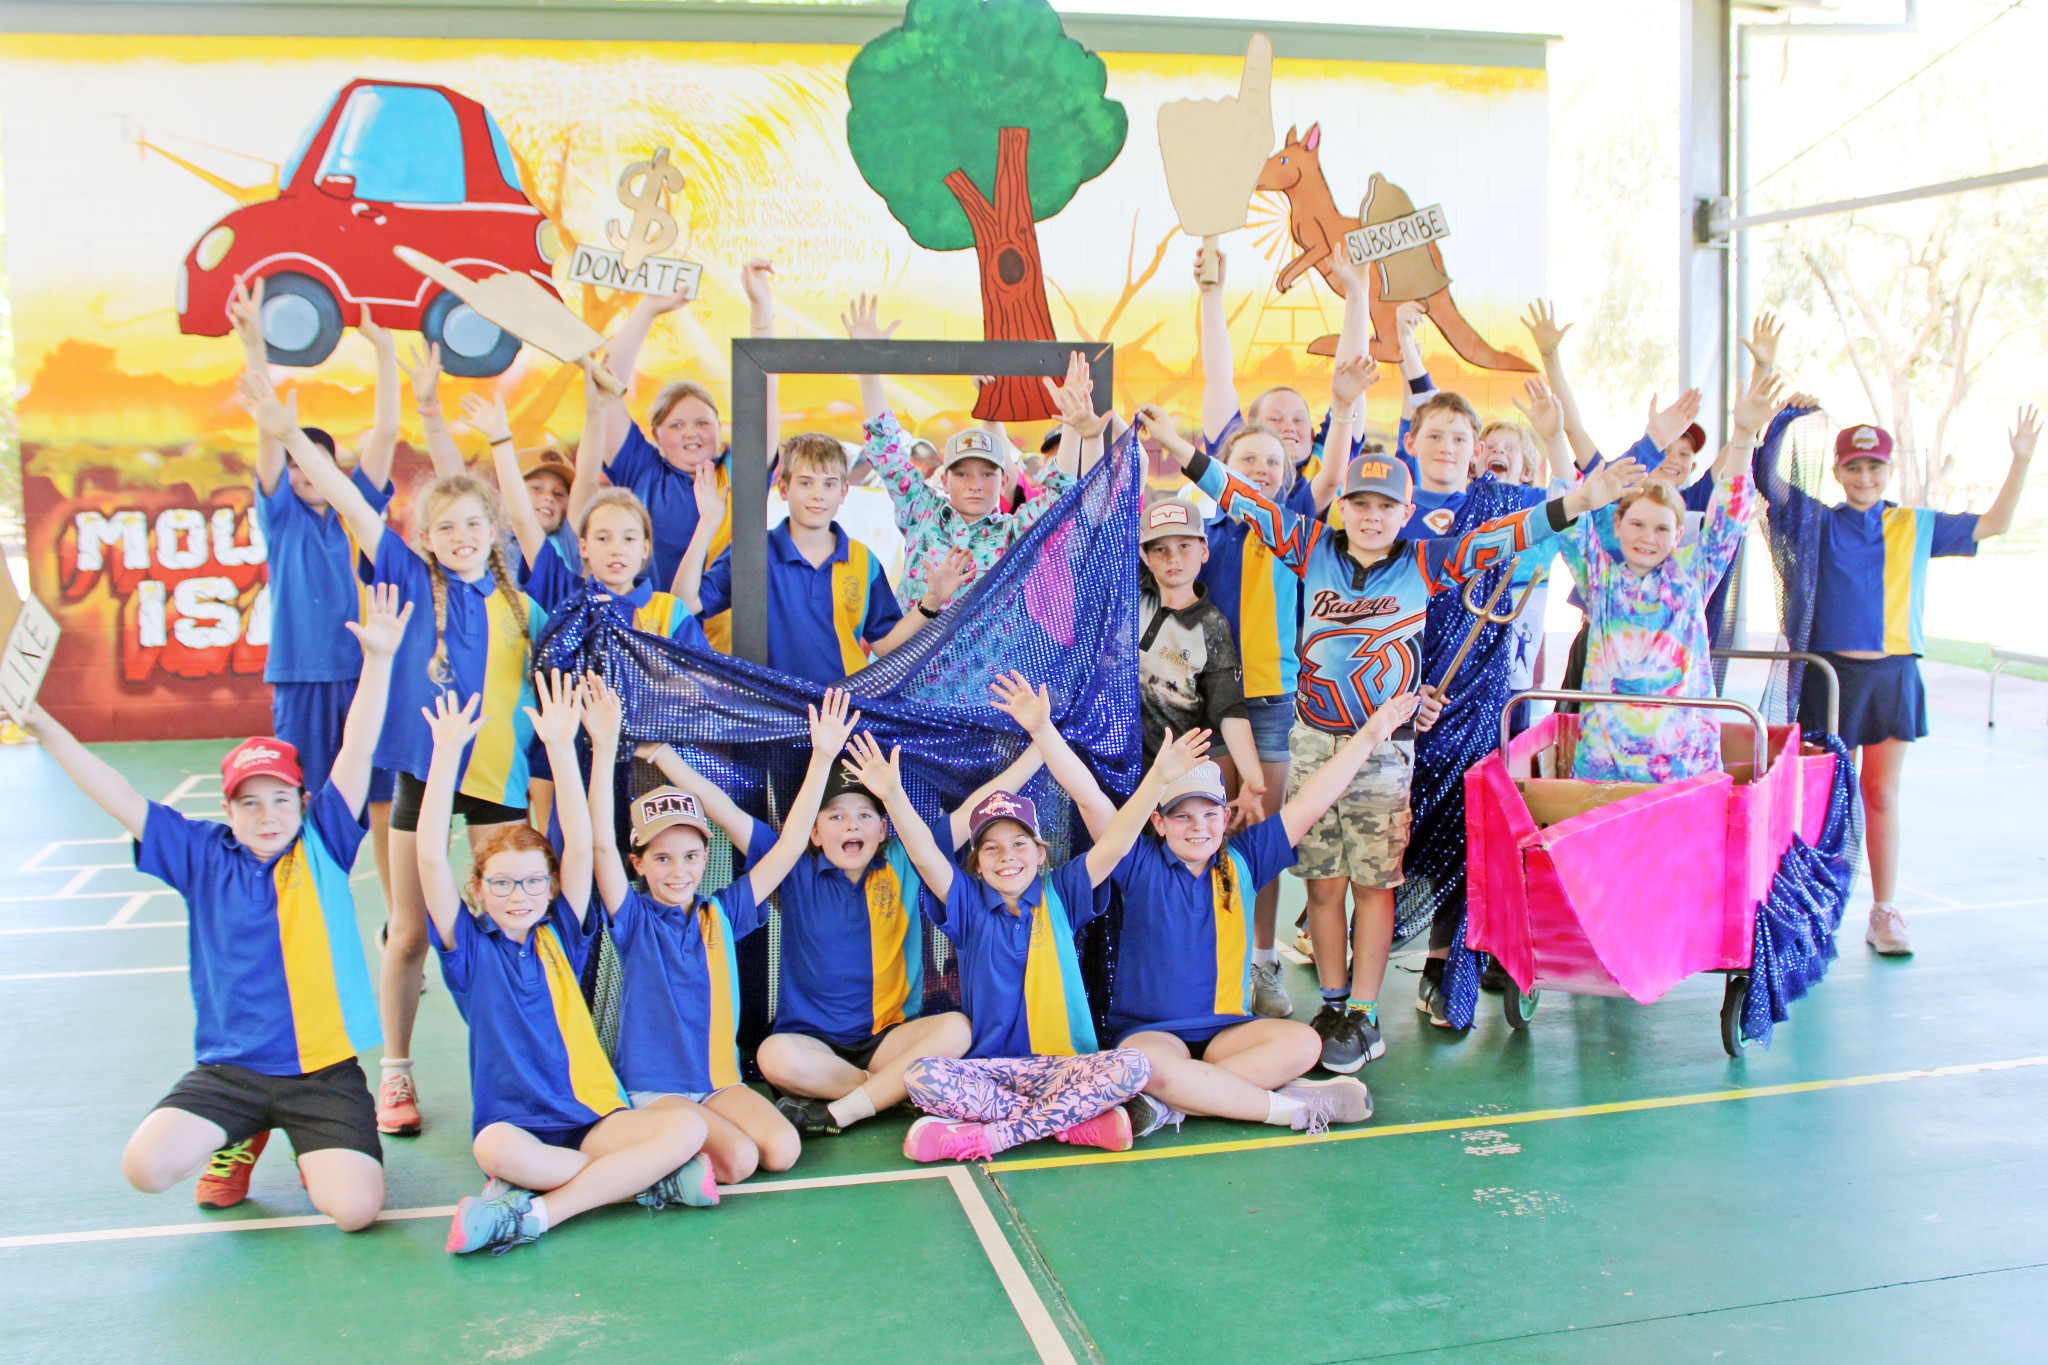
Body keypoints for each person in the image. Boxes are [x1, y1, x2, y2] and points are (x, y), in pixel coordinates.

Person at [1147, 405, 1638, 1063]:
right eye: (1360, 503)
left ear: (1405, 513)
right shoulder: (1308, 545)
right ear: (1342, 507)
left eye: (1385, 505)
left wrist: (1582, 498)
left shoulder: (1429, 562)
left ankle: (1364, 1013)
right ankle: (1331, 999)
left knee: (1374, 883)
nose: (1371, 516)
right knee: (1321, 882)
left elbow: (1513, 535)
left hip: (1384, 751)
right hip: (1316, 744)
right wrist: (1177, 441)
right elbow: (1237, 495)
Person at [21, 584, 409, 1227]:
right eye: (250, 802)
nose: (268, 814)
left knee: (354, 1211)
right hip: (230, 1072)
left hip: (322, 1072)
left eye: (281, 798)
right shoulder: (200, 854)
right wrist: (43, 725)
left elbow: (358, 748)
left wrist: (381, 659)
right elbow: (114, 791)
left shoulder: (323, 843)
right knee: (145, 1170)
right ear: (227, 809)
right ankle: (240, 1134)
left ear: (302, 800)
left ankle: (304, 1141)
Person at [237, 369, 548, 1138]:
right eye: (446, 529)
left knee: (501, 931)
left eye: (474, 526)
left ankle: (516, 1068)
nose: (462, 538)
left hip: (498, 791)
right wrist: (281, 429)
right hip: (420, 780)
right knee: (409, 930)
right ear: (426, 539)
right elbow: (346, 499)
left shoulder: (527, 605)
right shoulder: (409, 580)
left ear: (494, 529)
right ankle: (397, 1073)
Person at [991, 671, 1417, 1137]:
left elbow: (1314, 799)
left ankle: (1172, 1106)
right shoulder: (1133, 859)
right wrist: (1041, 729)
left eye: (1210, 814)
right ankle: (1287, 1106)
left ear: (1225, 815)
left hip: (1227, 1036)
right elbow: (1088, 798)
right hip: (1154, 1036)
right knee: (1144, 1065)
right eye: (1182, 816)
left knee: (1304, 1042)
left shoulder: (1245, 860)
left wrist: (1370, 735)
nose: (1198, 827)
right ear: (1158, 821)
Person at [636, 702, 1043, 1139]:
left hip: (889, 1040)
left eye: (865, 815)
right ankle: (885, 1096)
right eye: (836, 816)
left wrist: (1042, 744)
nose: (852, 824)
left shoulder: (908, 861)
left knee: (957, 1028)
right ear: (814, 832)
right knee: (773, 1056)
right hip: (812, 1047)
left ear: (884, 829)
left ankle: (852, 1101)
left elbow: (979, 810)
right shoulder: (790, 866)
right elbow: (725, 812)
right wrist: (663, 754)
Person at [419, 677, 715, 1256]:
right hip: (516, 1128)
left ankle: (531, 1213)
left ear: (550, 886)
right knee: (495, 1153)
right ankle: (641, 1182)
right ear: (478, 889)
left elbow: (581, 845)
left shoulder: (563, 935)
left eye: (532, 881)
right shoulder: (468, 950)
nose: (519, 894)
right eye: (502, 883)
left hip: (590, 1116)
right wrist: (446, 756)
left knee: (689, 1128)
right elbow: (429, 856)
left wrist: (561, 746)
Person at [842, 729, 1217, 1162]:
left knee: (1133, 1066)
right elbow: (925, 854)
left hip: (1065, 1066)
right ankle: (1070, 1122)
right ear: (977, 864)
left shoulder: (1062, 892)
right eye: (992, 848)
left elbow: (1116, 842)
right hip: (991, 1071)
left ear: (1041, 853)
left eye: (1020, 844)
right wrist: (891, 795)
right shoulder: (967, 904)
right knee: (922, 1076)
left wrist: (1158, 778)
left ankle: (992, 1136)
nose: (1007, 856)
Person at [1752, 395, 2037, 956]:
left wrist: (2022, 460)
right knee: (1823, 796)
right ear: (1837, 471)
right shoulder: (1819, 523)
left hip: (1893, 677)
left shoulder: (1916, 525)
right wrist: (1781, 422)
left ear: (1888, 470)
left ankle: (1884, 913)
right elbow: (1768, 480)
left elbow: (1997, 524)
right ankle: (1809, 908)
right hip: (1828, 678)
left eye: (1874, 466)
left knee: (1879, 794)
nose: (1863, 476)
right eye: (1853, 466)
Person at [580, 679, 837, 1183]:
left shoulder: (719, 913)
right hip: (660, 1090)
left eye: (691, 856)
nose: (679, 870)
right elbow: (599, 849)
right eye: (662, 859)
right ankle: (648, 1148)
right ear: (639, 864)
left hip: (718, 1082)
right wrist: (605, 746)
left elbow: (785, 851)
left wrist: (823, 755)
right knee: (738, 1160)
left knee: (782, 1149)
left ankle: (677, 1150)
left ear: (706, 857)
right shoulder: (632, 918)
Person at [230, 279, 401, 917]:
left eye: (316, 463)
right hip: (302, 679)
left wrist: (383, 352)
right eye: (296, 465)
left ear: (337, 469)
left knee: (380, 803)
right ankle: (295, 911)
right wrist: (255, 345)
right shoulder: (283, 517)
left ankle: (396, 920)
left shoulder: (362, 513)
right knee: (293, 798)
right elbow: (269, 433)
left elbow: (386, 431)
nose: (303, 475)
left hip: (366, 677)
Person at [586, 261, 783, 648]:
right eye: (677, 425)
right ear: (656, 434)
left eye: (702, 423)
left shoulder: (736, 472)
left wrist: (761, 311)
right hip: (648, 641)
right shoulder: (641, 471)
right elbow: (606, 390)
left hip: (729, 650)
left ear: (720, 431)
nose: (691, 433)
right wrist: (648, 309)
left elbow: (764, 394)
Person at [844, 295, 1081, 612]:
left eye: (987, 473)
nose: (975, 483)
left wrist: (1076, 423)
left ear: (1004, 478)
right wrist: (868, 368)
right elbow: (886, 450)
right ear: (944, 477)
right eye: (962, 472)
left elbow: (1060, 494)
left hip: (984, 663)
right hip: (911, 660)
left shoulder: (1014, 535)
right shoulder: (922, 511)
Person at [680, 430, 976, 682]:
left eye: (829, 484)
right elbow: (685, 602)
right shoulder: (752, 552)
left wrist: (932, 601)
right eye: (806, 482)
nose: (818, 494)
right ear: (783, 488)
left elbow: (884, 645)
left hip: (842, 718)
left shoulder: (863, 560)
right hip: (769, 719)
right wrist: (708, 522)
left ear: (843, 492)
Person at [1558, 433, 1756, 783]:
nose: (1648, 537)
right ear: (1618, 526)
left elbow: (1728, 520)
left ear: (1679, 535)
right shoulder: (1600, 580)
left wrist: (1743, 438)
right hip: (1606, 768)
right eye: (1637, 524)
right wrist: (1552, 436)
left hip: (1684, 766)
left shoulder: (1692, 579)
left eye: (1662, 528)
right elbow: (1570, 523)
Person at [1135, 496, 1261, 800]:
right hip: (1108, 763)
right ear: (1145, 556)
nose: (1173, 557)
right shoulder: (1128, 596)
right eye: (1160, 548)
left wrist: (1253, 777)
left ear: (1204, 550)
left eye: (1184, 546)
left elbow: (1228, 709)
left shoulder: (1212, 625)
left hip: (1172, 772)